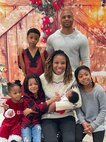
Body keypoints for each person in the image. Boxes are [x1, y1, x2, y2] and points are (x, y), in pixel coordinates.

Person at [40, 50, 82, 142]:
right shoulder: (42, 78)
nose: (59, 66)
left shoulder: (72, 77)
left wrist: (56, 106)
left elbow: (78, 102)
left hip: (67, 115)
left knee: (70, 140)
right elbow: (39, 101)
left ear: (67, 64)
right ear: (51, 63)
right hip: (48, 116)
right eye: (56, 63)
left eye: (63, 63)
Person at [21, 74, 60, 142]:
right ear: (27, 86)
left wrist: (31, 110)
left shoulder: (41, 95)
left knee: (37, 140)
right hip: (26, 124)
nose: (33, 86)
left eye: (35, 84)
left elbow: (42, 109)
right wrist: (50, 101)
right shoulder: (26, 97)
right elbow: (37, 108)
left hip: (36, 123)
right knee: (27, 140)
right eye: (30, 85)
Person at [74, 65, 106, 142]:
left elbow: (103, 111)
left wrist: (93, 125)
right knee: (76, 138)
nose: (84, 77)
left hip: (98, 123)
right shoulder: (78, 90)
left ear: (90, 74)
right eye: (80, 76)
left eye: (86, 74)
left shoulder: (99, 90)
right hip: (83, 122)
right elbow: (77, 109)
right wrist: (83, 122)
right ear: (77, 79)